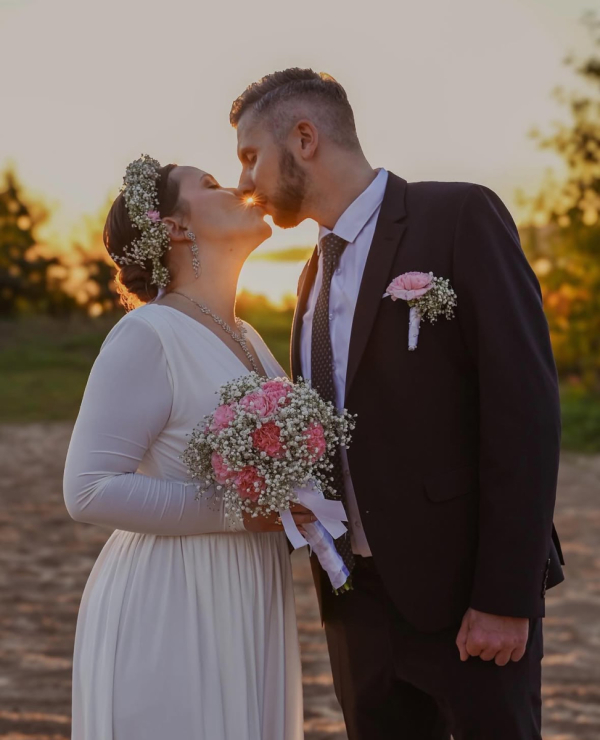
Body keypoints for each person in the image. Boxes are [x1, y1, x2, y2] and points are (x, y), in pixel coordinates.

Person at [230, 68, 565, 740]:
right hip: (356, 607)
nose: (244, 183)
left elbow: (524, 413)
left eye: (250, 156)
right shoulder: (310, 272)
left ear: (304, 138)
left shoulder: (458, 217)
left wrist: (505, 597)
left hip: (465, 599)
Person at [63, 156, 309, 740]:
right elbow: (87, 490)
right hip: (175, 595)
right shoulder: (148, 334)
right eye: (212, 184)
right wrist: (236, 513)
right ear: (175, 227)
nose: (241, 190)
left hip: (248, 588)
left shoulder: (247, 336)